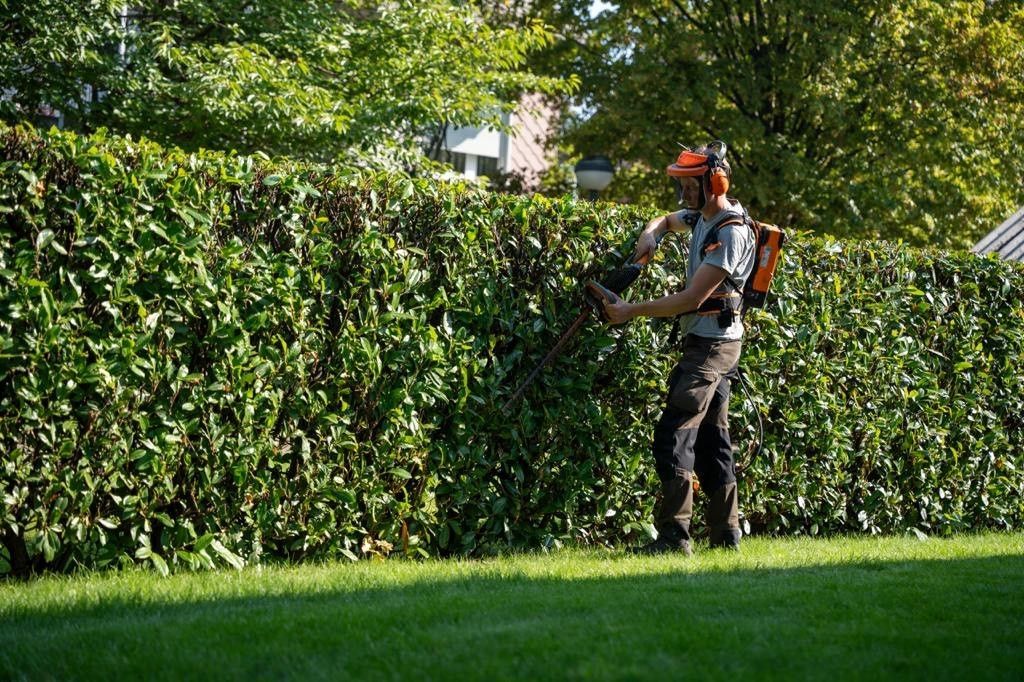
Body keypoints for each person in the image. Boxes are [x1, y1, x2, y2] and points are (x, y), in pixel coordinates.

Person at [601, 141, 755, 555]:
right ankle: (726, 535)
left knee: (674, 434)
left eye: (691, 183)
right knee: (711, 439)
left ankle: (674, 538)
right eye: (682, 182)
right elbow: (666, 220)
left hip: (711, 346)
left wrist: (630, 310)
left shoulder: (731, 231)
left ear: (715, 182)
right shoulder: (703, 216)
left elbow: (691, 298)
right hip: (714, 342)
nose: (684, 190)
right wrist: (650, 234)